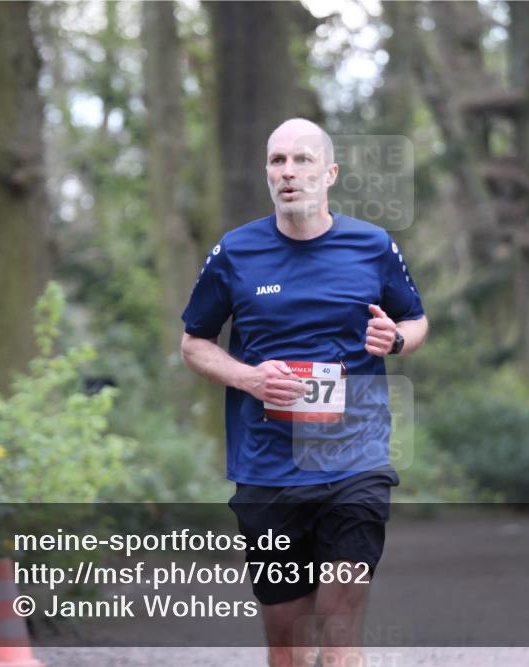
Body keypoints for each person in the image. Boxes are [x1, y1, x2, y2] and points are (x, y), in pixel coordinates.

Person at [180, 118, 429, 667]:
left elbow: (416, 321)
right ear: (267, 173)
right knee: (288, 647)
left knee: (339, 637)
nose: (288, 172)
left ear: (330, 172)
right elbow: (193, 343)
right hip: (268, 468)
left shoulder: (372, 245)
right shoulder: (235, 252)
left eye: (302, 160)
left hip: (355, 462)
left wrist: (395, 340)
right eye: (277, 161)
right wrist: (249, 377)